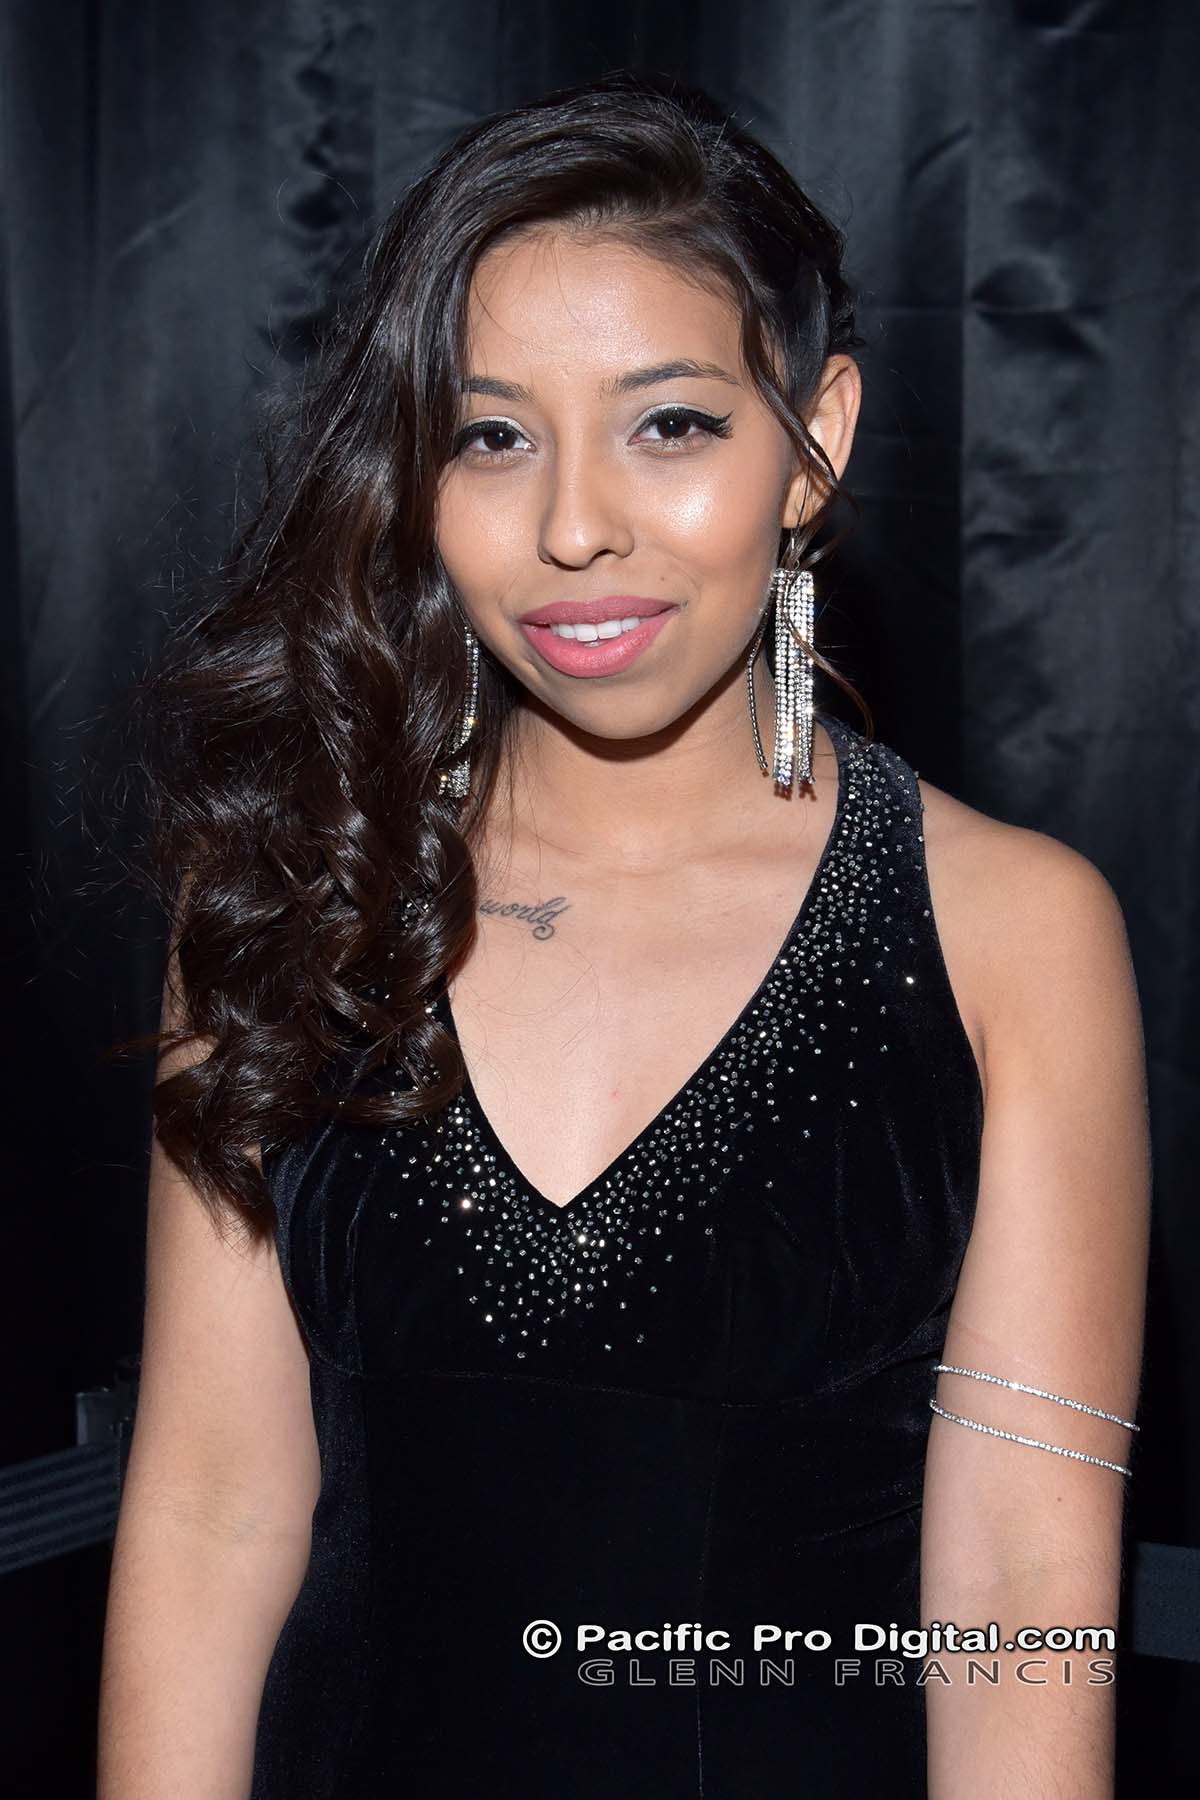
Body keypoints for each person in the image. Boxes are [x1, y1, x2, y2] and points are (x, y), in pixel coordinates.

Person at [97, 69, 1151, 1800]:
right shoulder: (284, 902)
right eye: (491, 436)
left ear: (816, 438)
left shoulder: (1012, 933)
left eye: (671, 425)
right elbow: (213, 1512)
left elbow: (1021, 1591)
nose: (575, 524)